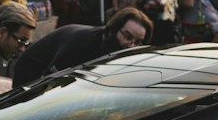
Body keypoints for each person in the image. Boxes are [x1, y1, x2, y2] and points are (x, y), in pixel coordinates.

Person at [13, 6, 152, 87]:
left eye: (138, 42)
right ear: (112, 30)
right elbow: (50, 80)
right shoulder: (80, 45)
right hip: (29, 73)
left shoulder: (110, 44)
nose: (131, 46)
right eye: (127, 37)